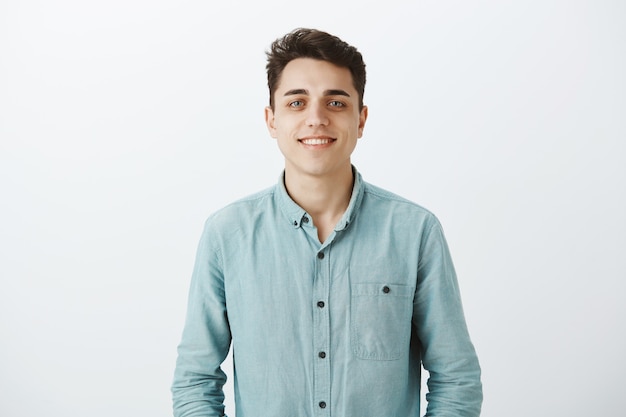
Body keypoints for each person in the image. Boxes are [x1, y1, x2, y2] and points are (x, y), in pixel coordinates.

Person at [172, 28, 482, 417]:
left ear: (361, 118)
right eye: (296, 103)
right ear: (271, 120)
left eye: (335, 102)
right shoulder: (227, 235)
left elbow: (456, 377)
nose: (316, 119)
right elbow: (196, 379)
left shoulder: (415, 232)